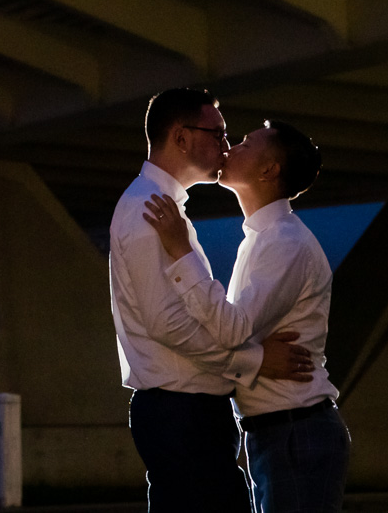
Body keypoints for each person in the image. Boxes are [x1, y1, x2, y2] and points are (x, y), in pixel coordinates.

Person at [110, 88, 314, 513]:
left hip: (184, 413)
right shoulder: (148, 208)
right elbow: (167, 323)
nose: (226, 145)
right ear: (181, 137)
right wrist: (253, 361)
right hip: (180, 412)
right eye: (218, 134)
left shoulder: (160, 207)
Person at [143, 119, 348, 513]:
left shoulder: (284, 244)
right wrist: (257, 357)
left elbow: (231, 329)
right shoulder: (261, 239)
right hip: (281, 431)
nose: (229, 148)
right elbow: (237, 331)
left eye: (244, 144)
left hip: (294, 430)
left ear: (268, 170)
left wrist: (180, 251)